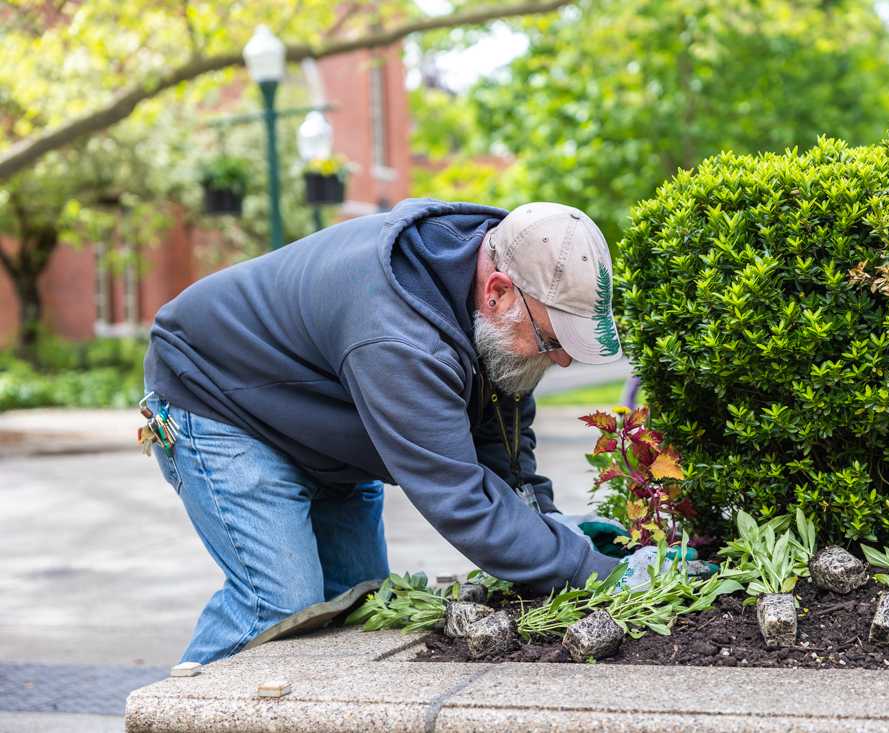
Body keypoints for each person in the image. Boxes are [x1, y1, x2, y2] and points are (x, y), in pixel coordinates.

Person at [141, 199, 633, 664]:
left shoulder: (484, 274)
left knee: (356, 603)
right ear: (497, 291)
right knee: (280, 607)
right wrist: (597, 575)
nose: (563, 359)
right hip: (216, 400)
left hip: (314, 427)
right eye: (551, 339)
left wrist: (549, 525)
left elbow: (499, 435)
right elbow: (459, 496)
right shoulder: (400, 338)